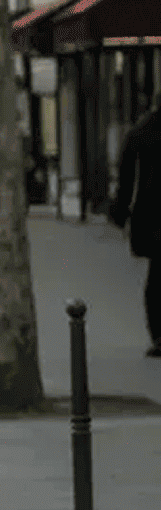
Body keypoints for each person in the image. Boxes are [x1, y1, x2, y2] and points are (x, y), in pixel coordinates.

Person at [110, 103, 161, 357]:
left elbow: (126, 177)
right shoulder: (141, 132)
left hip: (151, 214)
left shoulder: (141, 131)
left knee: (157, 274)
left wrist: (119, 213)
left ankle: (159, 334)